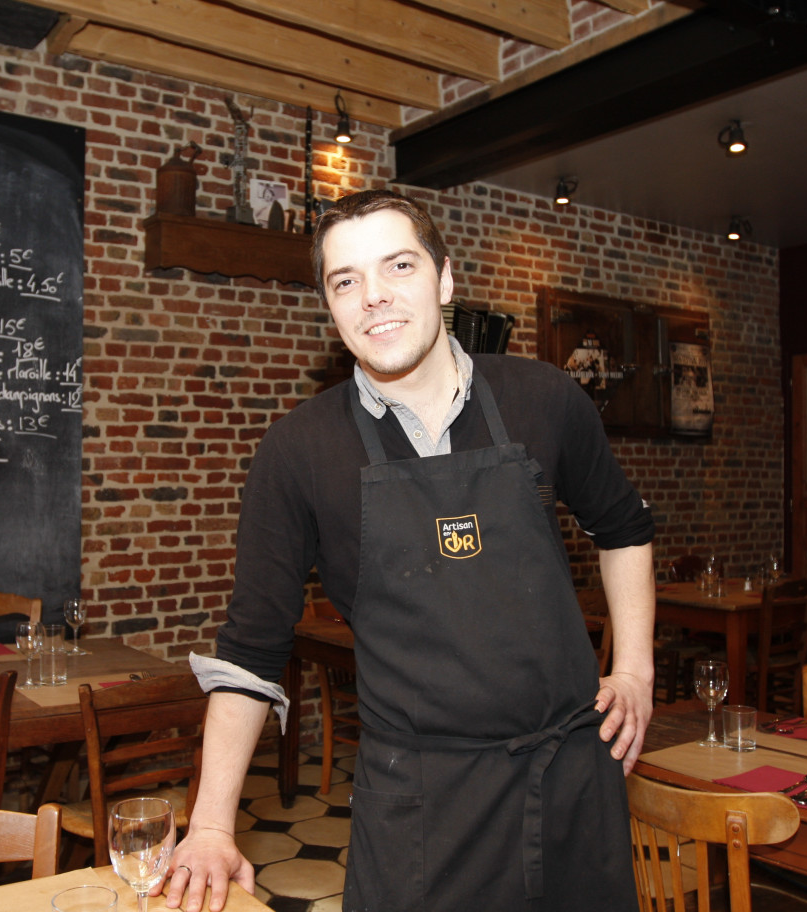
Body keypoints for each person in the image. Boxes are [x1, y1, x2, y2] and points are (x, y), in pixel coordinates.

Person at [164, 189, 655, 912]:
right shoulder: (298, 450)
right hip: (422, 804)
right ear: (330, 305)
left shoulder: (542, 399)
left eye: (398, 265)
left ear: (445, 279)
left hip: (573, 783)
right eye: (346, 281)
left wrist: (636, 669)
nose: (374, 298)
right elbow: (251, 650)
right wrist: (210, 821)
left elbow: (623, 528)